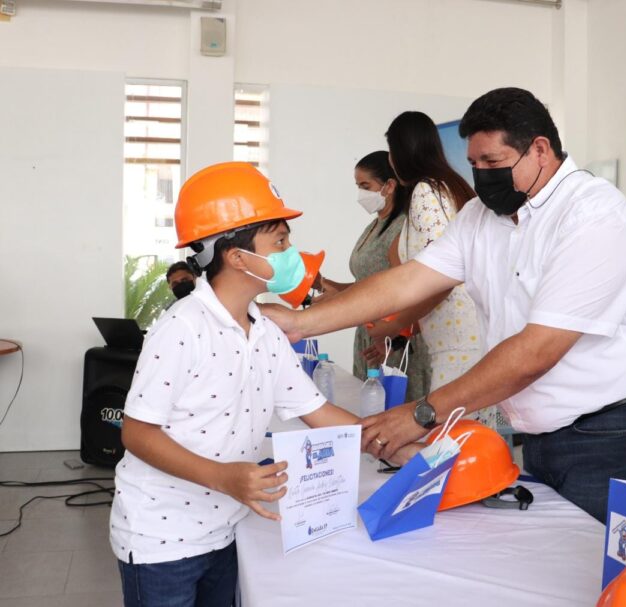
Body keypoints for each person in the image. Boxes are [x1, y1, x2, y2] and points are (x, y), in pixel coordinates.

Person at [262, 88, 626, 523]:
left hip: (616, 427)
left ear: (540, 150)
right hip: (544, 428)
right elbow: (407, 283)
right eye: (475, 163)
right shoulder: (481, 217)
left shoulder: (594, 217)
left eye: (493, 163)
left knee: (605, 566)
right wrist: (301, 323)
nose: (481, 175)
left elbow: (535, 352)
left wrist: (423, 413)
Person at [109, 162, 416, 606]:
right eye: (280, 241)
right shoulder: (182, 329)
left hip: (227, 528)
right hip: (162, 536)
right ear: (237, 257)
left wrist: (395, 445)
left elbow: (321, 412)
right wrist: (225, 478)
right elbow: (136, 432)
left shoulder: (266, 330)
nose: (292, 251)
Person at [383, 111, 494, 428]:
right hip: (459, 336)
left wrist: (395, 325)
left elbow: (440, 277)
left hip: (457, 343)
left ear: (403, 152)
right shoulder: (451, 188)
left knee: (452, 446)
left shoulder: (425, 191)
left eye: (392, 152)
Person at [316, 151, 431, 401]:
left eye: (366, 186)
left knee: (392, 415)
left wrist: (396, 339)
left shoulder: (402, 229)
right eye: (358, 186)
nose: (361, 194)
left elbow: (409, 292)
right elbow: (365, 285)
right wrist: (325, 284)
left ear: (389, 186)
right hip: (370, 335)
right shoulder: (375, 226)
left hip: (396, 342)